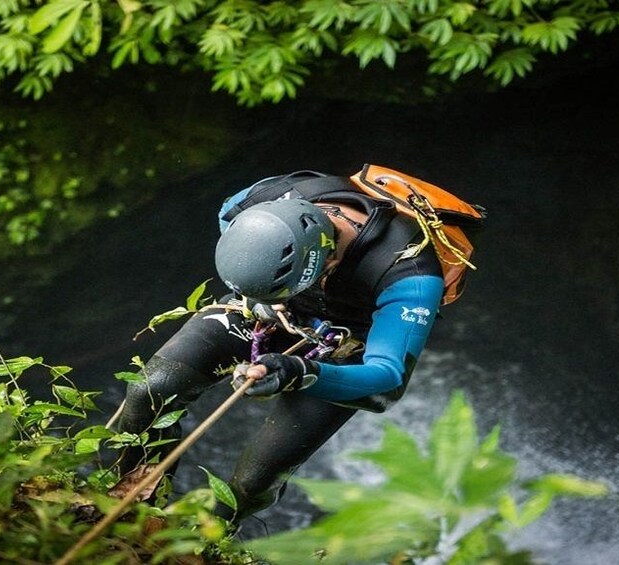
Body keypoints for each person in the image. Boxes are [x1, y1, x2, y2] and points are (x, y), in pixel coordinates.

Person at [112, 167, 464, 524]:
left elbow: (387, 379)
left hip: (343, 345)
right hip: (264, 308)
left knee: (255, 479)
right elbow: (226, 212)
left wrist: (299, 373)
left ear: (329, 261)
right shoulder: (270, 195)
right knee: (149, 391)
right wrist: (255, 297)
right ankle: (131, 512)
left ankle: (208, 541)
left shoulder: (410, 274)